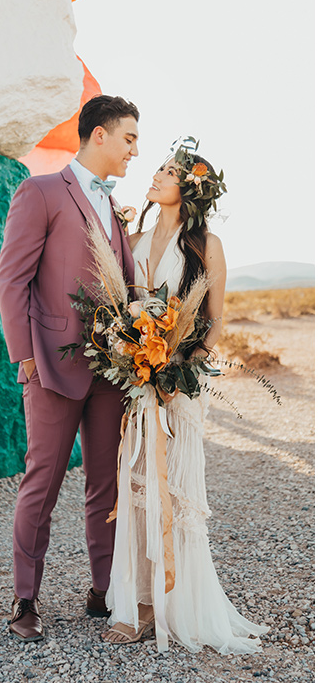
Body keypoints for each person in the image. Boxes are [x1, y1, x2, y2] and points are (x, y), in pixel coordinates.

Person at [102, 146, 269, 653]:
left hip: (181, 384)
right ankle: (139, 604)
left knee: (173, 486)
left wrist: (182, 364)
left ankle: (178, 603)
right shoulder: (131, 239)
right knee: (136, 484)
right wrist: (130, 355)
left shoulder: (207, 245)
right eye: (157, 168)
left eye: (169, 173)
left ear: (190, 190)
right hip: (137, 382)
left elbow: (215, 318)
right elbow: (116, 307)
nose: (155, 175)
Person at [0, 95, 139, 642]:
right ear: (98, 135)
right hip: (52, 366)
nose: (133, 151)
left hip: (111, 372)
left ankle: (102, 591)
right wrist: (25, 358)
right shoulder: (41, 192)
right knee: (43, 482)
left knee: (106, 485)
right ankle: (25, 598)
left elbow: (123, 282)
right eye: (128, 138)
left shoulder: (116, 210)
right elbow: (12, 279)